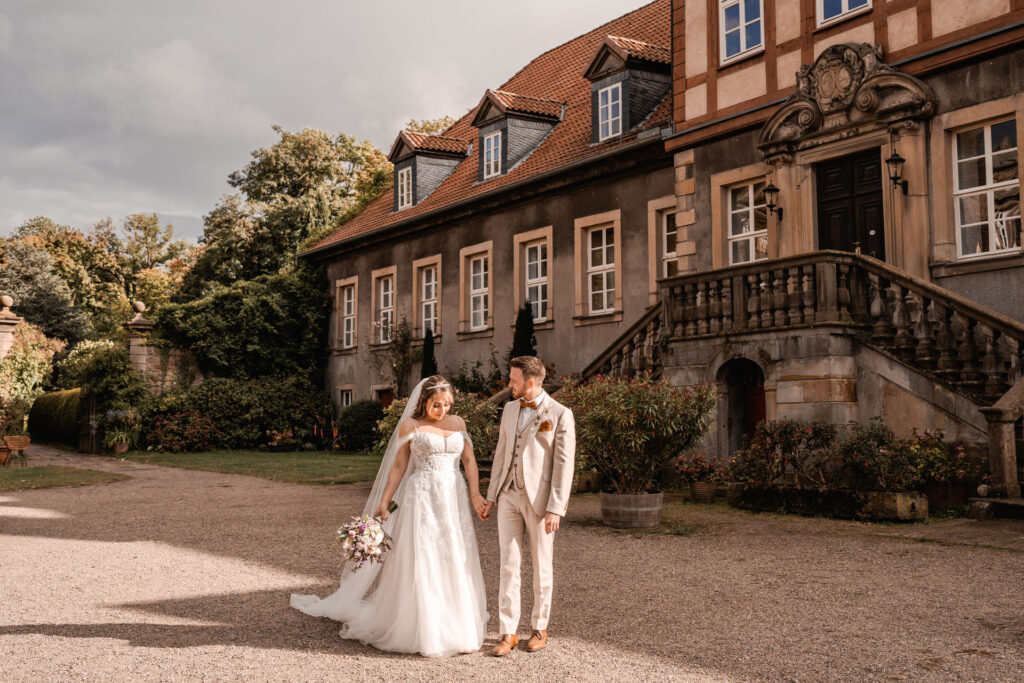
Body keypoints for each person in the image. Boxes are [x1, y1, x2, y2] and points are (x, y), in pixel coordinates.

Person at [290, 375, 490, 657]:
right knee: (425, 555)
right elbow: (398, 466)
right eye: (437, 405)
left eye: (447, 405)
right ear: (424, 402)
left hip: (453, 498)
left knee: (455, 554)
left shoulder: (458, 423)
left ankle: (457, 624)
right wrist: (384, 502)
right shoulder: (411, 426)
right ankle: (424, 628)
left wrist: (475, 495)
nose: (443, 411)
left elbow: (469, 461)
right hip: (422, 497)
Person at [482, 355, 576, 656]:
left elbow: (564, 464)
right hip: (508, 495)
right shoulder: (510, 409)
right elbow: (501, 453)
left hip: (540, 500)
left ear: (531, 382)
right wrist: (492, 495)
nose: (509, 384)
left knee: (541, 564)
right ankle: (507, 632)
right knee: (508, 563)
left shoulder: (560, 414)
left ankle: (539, 627)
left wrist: (555, 507)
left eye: (514, 380)